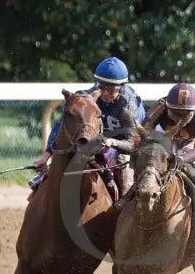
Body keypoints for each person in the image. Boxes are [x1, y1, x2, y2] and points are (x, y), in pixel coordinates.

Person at [29, 56, 145, 198]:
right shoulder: (90, 96)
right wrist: (46, 156)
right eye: (102, 87)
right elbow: (62, 125)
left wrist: (112, 143)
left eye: (111, 89)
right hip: (97, 143)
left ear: (122, 87)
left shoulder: (130, 107)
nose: (105, 93)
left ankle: (125, 204)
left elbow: (133, 143)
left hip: (124, 147)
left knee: (121, 162)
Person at [135, 82, 195, 241]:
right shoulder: (159, 108)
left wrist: (182, 159)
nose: (181, 119)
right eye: (175, 114)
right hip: (163, 139)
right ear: (167, 107)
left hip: (191, 145)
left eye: (186, 114)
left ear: (194, 111)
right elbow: (143, 132)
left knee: (194, 175)